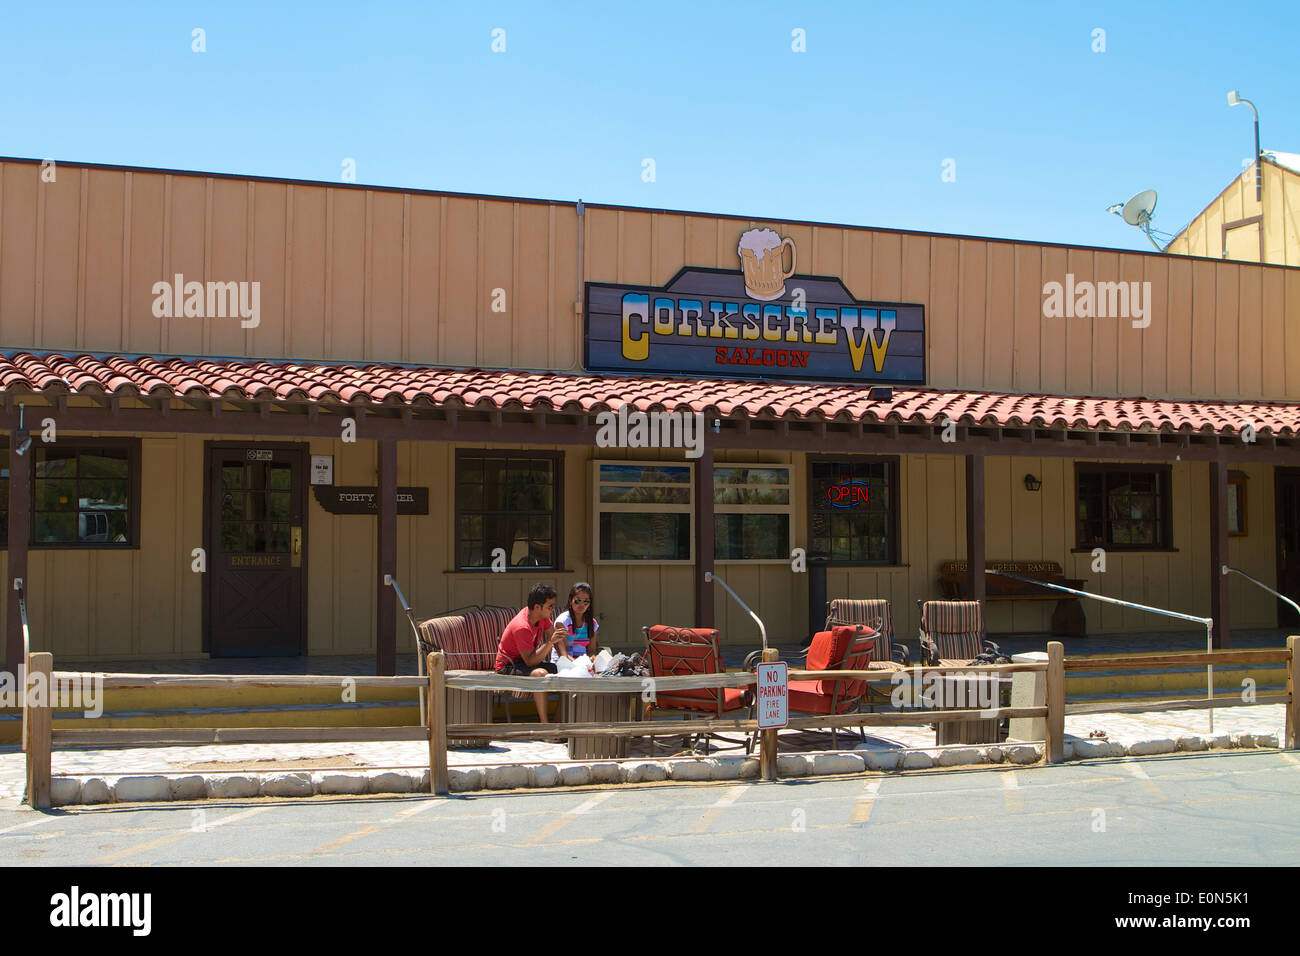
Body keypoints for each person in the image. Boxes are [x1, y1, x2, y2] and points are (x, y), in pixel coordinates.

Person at [494, 583, 566, 723]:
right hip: (508, 665)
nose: (553, 609)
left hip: (524, 661)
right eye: (550, 606)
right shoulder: (522, 627)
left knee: (566, 672)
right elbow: (530, 661)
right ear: (537, 607)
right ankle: (545, 726)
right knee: (540, 674)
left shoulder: (541, 618)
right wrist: (549, 643)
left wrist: (566, 659)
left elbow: (555, 638)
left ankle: (558, 722)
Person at [553, 582, 599, 661]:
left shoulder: (592, 623)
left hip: (583, 664)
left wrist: (590, 661)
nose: (581, 605)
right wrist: (578, 664)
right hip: (563, 663)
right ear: (570, 600)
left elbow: (591, 651)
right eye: (578, 601)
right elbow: (563, 654)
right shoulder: (562, 622)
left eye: (586, 601)